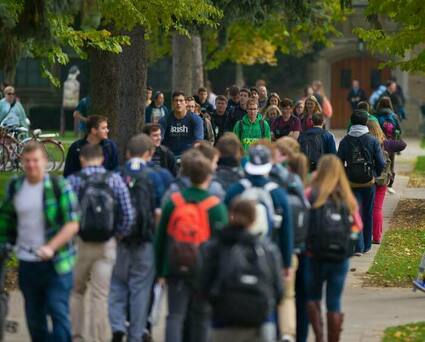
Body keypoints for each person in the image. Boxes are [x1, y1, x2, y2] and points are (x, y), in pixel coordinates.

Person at [0, 142, 80, 341]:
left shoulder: (59, 187)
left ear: (45, 161)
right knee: (35, 322)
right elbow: (6, 224)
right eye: (27, 161)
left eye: (35, 160)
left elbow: (72, 224)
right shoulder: (16, 187)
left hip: (57, 264)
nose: (31, 165)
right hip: (28, 264)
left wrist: (50, 248)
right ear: (21, 162)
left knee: (58, 312)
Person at [155, 153, 228, 342]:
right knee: (201, 317)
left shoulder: (174, 202)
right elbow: (224, 244)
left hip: (176, 266)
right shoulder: (216, 206)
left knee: (174, 316)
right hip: (203, 270)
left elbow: (161, 237)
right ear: (208, 177)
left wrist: (160, 271)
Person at [67, 144, 133, 342]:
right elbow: (128, 215)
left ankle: (77, 336)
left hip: (80, 243)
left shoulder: (73, 181)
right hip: (106, 244)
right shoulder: (114, 180)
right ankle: (99, 339)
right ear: (102, 158)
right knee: (100, 295)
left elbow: (66, 214)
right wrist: (117, 235)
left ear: (82, 159)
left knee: (77, 292)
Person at [109, 134, 172, 342]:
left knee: (118, 284)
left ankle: (118, 325)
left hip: (120, 239)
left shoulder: (117, 174)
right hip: (146, 240)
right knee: (140, 288)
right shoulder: (159, 176)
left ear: (127, 153)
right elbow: (160, 212)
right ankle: (137, 333)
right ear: (150, 153)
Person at [201, 198, 283, 342]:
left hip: (222, 321)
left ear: (230, 214)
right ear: (254, 219)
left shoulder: (217, 246)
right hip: (259, 323)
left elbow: (203, 285)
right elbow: (278, 290)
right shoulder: (267, 249)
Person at [305, 155, 362, 342]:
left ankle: (319, 337)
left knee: (313, 297)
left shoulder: (311, 194)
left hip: (314, 254)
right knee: (334, 301)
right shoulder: (346, 197)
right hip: (339, 257)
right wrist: (348, 238)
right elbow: (358, 226)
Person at [225, 144, 293, 299]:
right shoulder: (278, 194)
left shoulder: (235, 191)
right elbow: (286, 232)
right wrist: (287, 263)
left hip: (235, 254)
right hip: (267, 254)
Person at [337, 110, 385, 254]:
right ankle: (366, 246)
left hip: (351, 183)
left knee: (354, 213)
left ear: (352, 123)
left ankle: (357, 246)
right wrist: (374, 174)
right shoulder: (372, 140)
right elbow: (381, 163)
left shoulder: (345, 140)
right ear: (365, 123)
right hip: (368, 183)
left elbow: (339, 162)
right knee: (368, 213)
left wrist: (346, 175)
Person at [367, 120, 391, 244]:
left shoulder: (367, 142)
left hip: (369, 178)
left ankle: (368, 234)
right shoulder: (384, 142)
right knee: (378, 208)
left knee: (368, 209)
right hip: (382, 179)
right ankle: (377, 236)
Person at [159, 91, 204, 158]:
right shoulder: (164, 120)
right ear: (172, 103)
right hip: (169, 157)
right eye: (176, 100)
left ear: (186, 103)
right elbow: (159, 139)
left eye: (181, 100)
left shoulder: (196, 119)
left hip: (188, 157)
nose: (178, 103)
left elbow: (198, 140)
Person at [375, 96, 402, 194]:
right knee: (391, 163)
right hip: (391, 143)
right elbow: (399, 130)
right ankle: (390, 185)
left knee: (379, 162)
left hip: (379, 143)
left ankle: (380, 183)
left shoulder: (376, 115)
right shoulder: (394, 116)